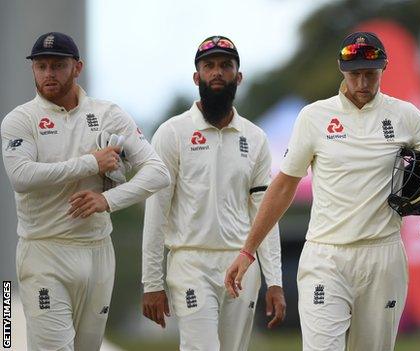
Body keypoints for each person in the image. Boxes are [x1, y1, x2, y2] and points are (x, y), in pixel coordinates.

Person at [225, 32, 420, 350]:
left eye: (371, 73)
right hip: (326, 256)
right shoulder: (314, 117)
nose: (363, 82)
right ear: (342, 69)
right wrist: (247, 250)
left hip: (384, 256)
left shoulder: (405, 115)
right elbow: (283, 186)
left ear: (384, 68)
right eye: (355, 74)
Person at [0, 32, 170, 350]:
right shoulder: (20, 120)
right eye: (41, 66)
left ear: (77, 67)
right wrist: (90, 164)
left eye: (57, 66)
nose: (48, 74)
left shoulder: (108, 114)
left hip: (98, 252)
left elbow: (158, 172)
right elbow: (21, 177)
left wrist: (107, 200)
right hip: (44, 251)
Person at [141, 35, 285, 351]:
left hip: (242, 262)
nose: (217, 72)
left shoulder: (255, 138)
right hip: (191, 262)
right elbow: (156, 209)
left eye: (225, 65)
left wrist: (274, 281)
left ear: (239, 76)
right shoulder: (172, 133)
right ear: (197, 76)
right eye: (209, 66)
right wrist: (151, 283)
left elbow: (265, 212)